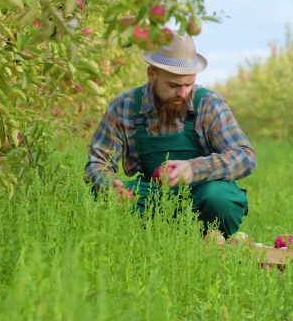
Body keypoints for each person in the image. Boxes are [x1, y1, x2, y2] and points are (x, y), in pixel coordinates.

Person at [84, 30, 255, 237]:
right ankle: (143, 240)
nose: (183, 93)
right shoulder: (125, 106)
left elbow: (245, 156)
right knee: (94, 199)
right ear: (151, 74)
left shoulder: (208, 104)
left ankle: (211, 241)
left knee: (220, 197)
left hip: (201, 194)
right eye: (173, 85)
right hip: (153, 195)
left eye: (188, 84)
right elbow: (98, 161)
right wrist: (108, 185)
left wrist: (194, 168)